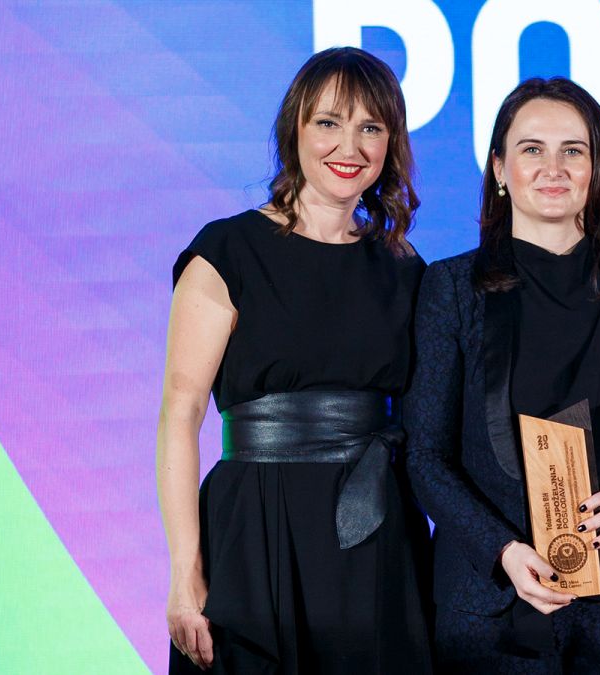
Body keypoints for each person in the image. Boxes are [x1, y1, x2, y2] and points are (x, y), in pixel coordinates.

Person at [405, 76, 600, 673]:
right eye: (531, 149)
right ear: (499, 168)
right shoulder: (451, 287)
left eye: (573, 150)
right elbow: (426, 457)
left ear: (599, 167)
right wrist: (502, 551)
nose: (553, 168)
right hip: (490, 599)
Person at [156, 47, 432, 674]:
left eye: (371, 127)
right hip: (255, 528)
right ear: (295, 130)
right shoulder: (227, 249)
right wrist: (183, 570)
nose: (349, 146)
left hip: (377, 532)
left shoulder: (405, 268)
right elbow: (181, 411)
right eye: (328, 122)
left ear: (391, 143)